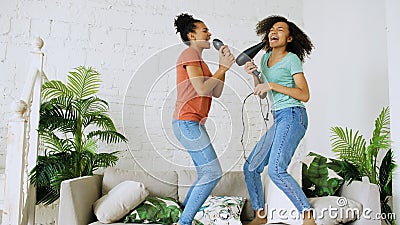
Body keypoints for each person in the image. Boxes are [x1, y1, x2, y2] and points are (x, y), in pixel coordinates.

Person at [243, 15, 316, 225]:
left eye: (281, 29)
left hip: (293, 115)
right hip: (279, 118)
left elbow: (304, 95)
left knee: (276, 170)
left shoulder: (292, 59)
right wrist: (255, 75)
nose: (274, 32)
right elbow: (263, 93)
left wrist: (272, 85)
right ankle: (260, 216)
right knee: (250, 167)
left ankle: (308, 216)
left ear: (290, 38)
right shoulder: (265, 59)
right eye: (272, 29)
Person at [172, 13, 235, 225]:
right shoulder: (189, 53)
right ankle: (184, 222)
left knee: (206, 174)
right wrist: (222, 68)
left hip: (193, 123)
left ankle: (182, 218)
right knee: (212, 173)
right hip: (186, 121)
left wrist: (222, 67)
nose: (209, 34)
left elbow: (215, 92)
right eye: (204, 30)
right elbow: (201, 89)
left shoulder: (200, 62)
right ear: (192, 34)